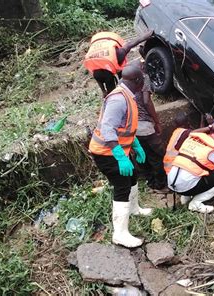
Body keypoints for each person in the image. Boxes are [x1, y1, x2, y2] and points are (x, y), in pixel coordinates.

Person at [88, 65, 149, 248]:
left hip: (121, 149)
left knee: (132, 176)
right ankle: (120, 234)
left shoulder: (126, 95)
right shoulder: (118, 100)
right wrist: (120, 157)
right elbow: (108, 129)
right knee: (122, 186)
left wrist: (135, 145)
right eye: (142, 81)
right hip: (106, 153)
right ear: (137, 82)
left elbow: (125, 126)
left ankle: (134, 209)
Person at [130, 59, 167, 192]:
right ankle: (160, 184)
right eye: (142, 66)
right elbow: (147, 101)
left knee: (142, 155)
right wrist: (157, 122)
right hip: (145, 125)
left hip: (132, 127)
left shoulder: (124, 83)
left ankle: (150, 181)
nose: (145, 67)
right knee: (156, 156)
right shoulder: (143, 79)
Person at [84, 30, 153, 97]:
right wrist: (104, 91)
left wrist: (146, 36)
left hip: (106, 46)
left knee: (122, 78)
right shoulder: (96, 70)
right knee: (116, 87)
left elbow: (130, 44)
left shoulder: (119, 54)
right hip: (104, 45)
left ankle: (122, 91)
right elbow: (130, 43)